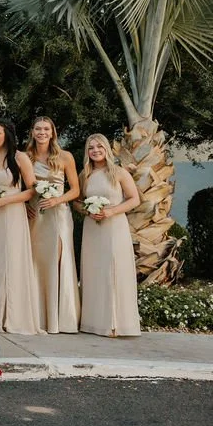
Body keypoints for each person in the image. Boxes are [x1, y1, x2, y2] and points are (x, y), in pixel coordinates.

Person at [77, 133, 142, 337]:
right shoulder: (84, 175)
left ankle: (116, 323)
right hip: (92, 228)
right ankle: (93, 323)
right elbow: (76, 201)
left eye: (99, 147)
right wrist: (87, 211)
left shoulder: (119, 173)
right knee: (94, 271)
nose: (95, 151)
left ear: (106, 149)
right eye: (91, 148)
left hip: (114, 227)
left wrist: (111, 211)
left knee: (114, 271)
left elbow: (134, 199)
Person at [0, 119, 43, 335]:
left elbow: (31, 190)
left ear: (7, 134)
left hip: (11, 214)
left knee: (10, 261)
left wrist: (5, 201)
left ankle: (11, 315)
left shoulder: (20, 157)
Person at [25, 117, 80, 334]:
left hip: (57, 214)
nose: (42, 132)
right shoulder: (26, 157)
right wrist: (23, 206)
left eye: (46, 129)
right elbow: (19, 186)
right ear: (32, 132)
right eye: (38, 128)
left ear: (52, 132)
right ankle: (37, 316)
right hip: (35, 214)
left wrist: (57, 200)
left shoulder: (65, 157)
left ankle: (60, 318)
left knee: (58, 259)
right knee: (36, 260)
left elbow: (75, 190)